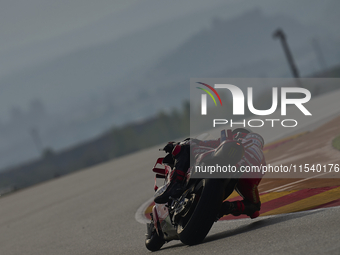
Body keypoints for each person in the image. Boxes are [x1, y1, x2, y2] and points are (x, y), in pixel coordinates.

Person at [154, 128, 266, 219]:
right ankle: (227, 208)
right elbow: (255, 211)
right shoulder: (261, 158)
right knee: (255, 206)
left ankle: (175, 183)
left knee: (185, 148)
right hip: (249, 175)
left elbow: (205, 143)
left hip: (233, 163)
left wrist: (176, 145)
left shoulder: (238, 137)